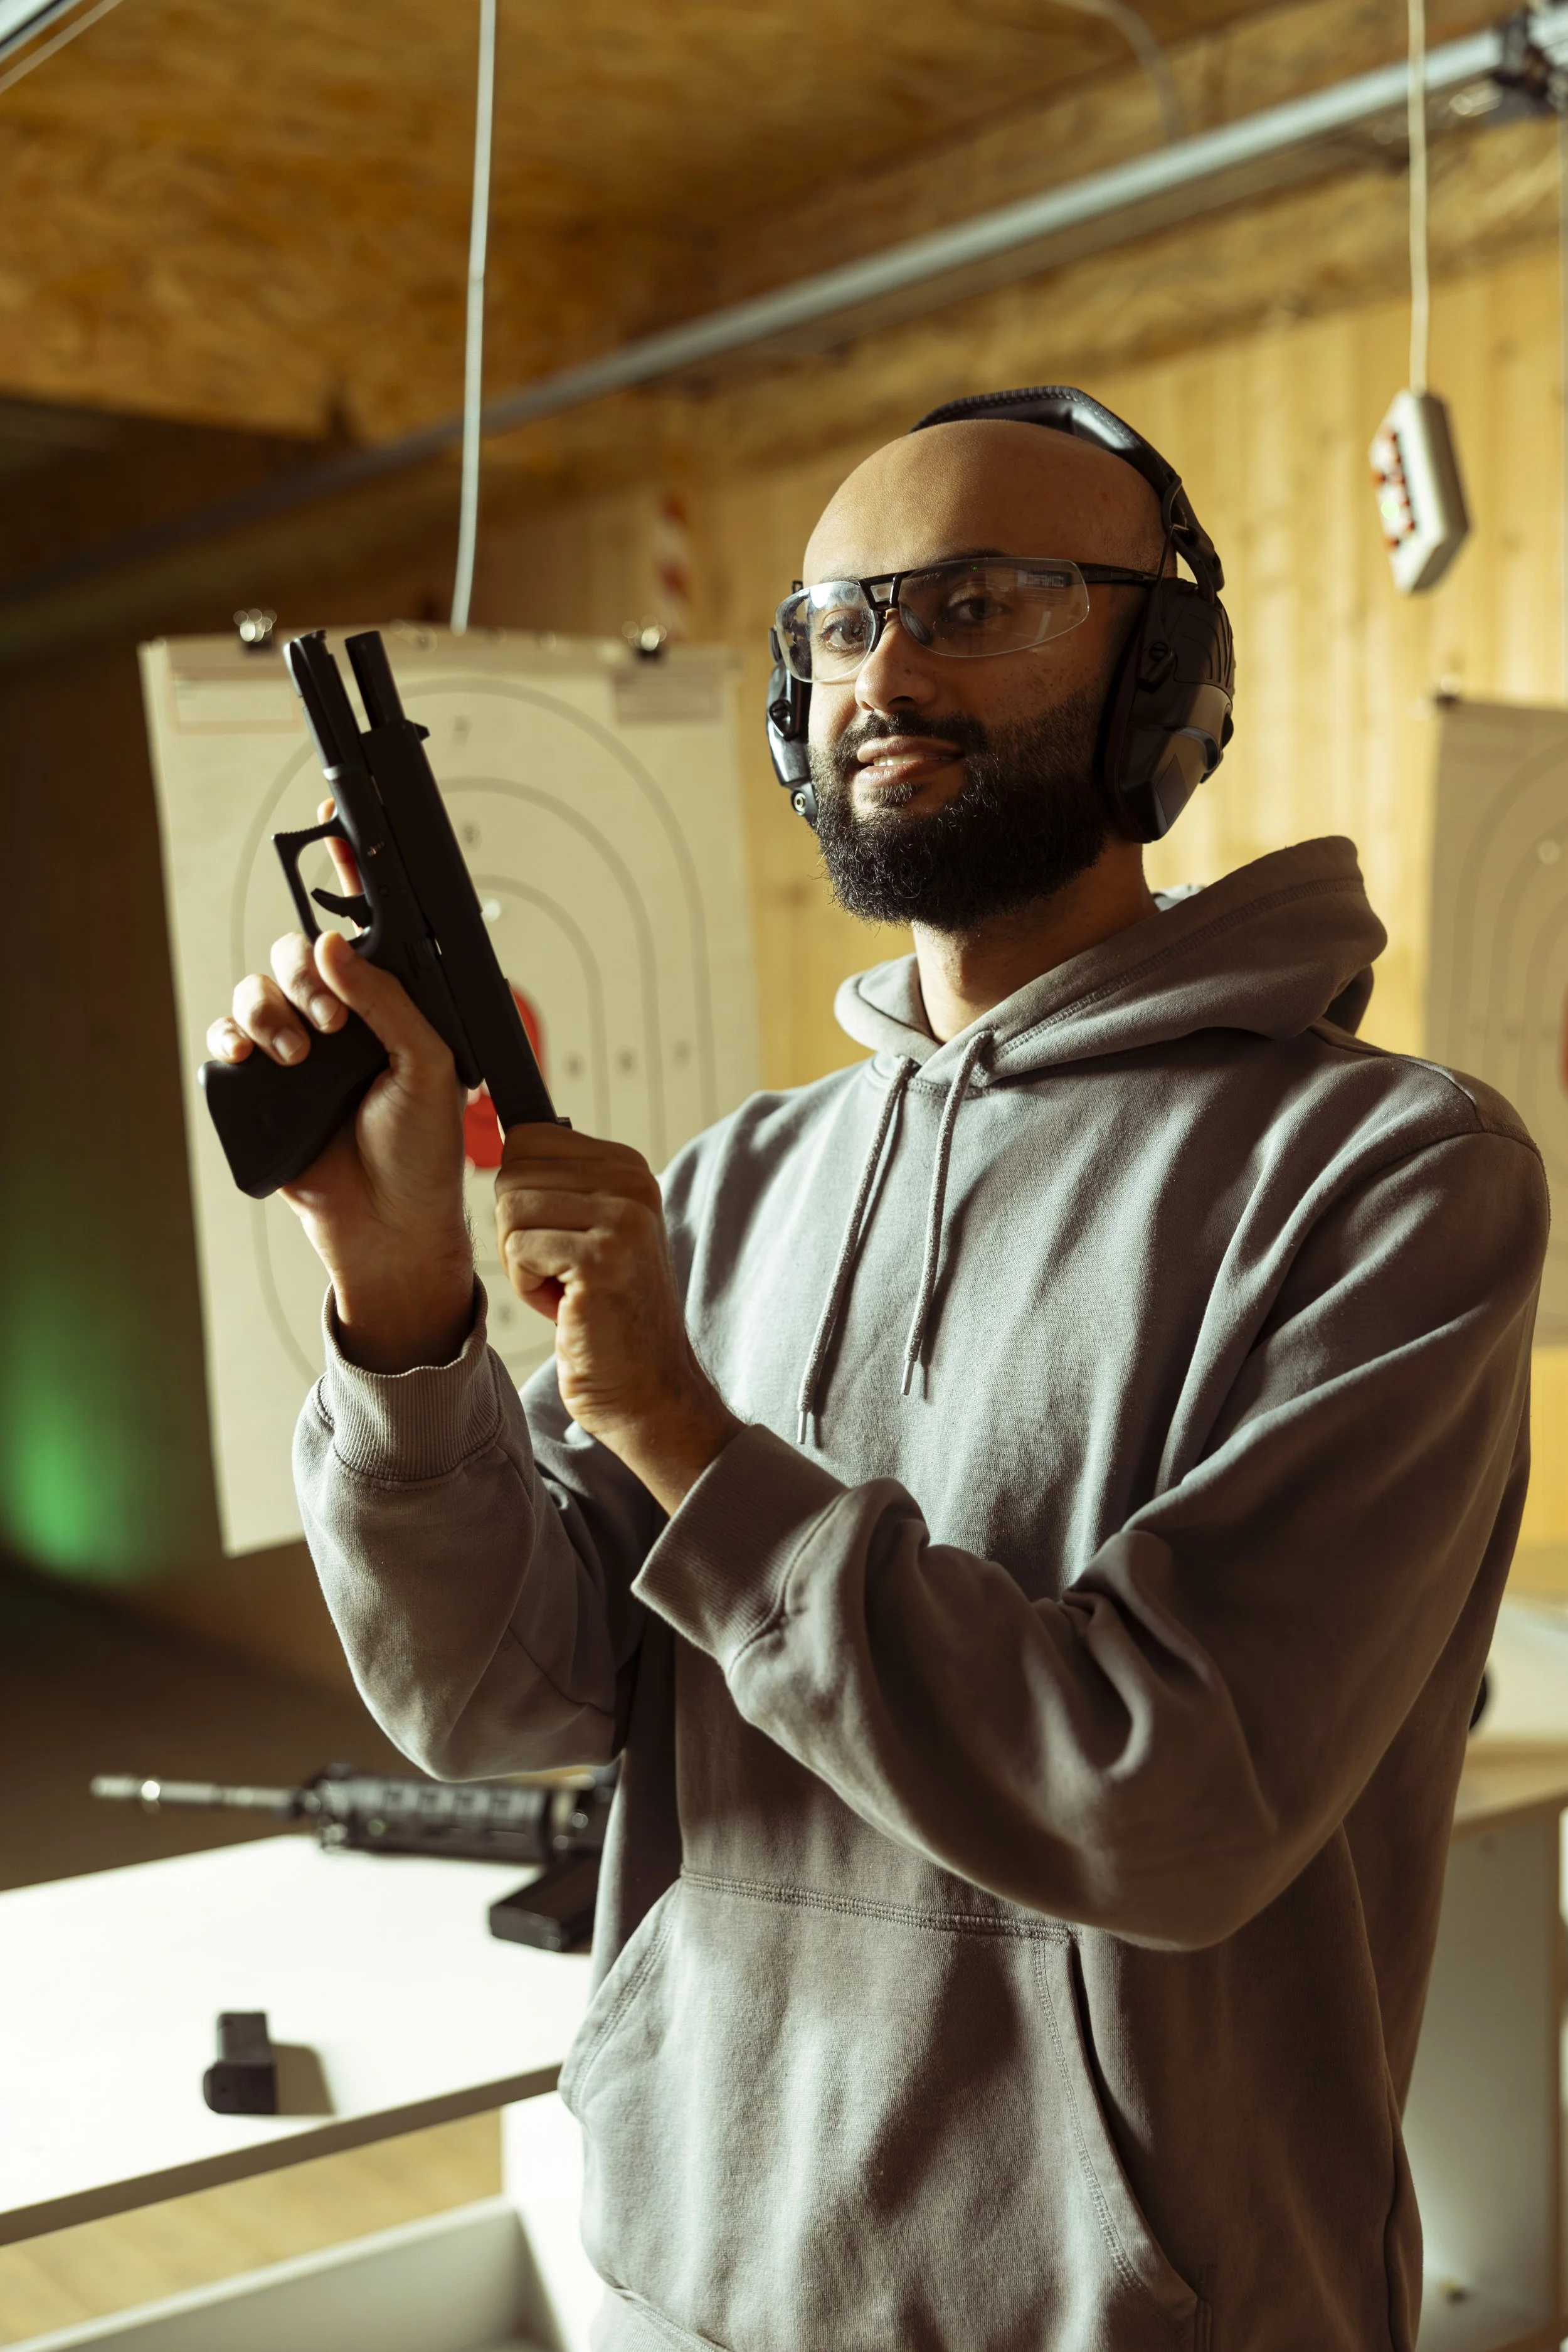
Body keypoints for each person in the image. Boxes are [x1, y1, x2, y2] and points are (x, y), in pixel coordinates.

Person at [209, 389, 1547, 2351]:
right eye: (836, 625)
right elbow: (495, 1694)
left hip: (1132, 2313)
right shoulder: (742, 1180)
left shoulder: (1389, 1177)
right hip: (699, 2272)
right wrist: (398, 1295)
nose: (885, 667)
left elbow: (1161, 1799)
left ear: (1161, 679)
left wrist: (677, 1421)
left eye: (975, 601)